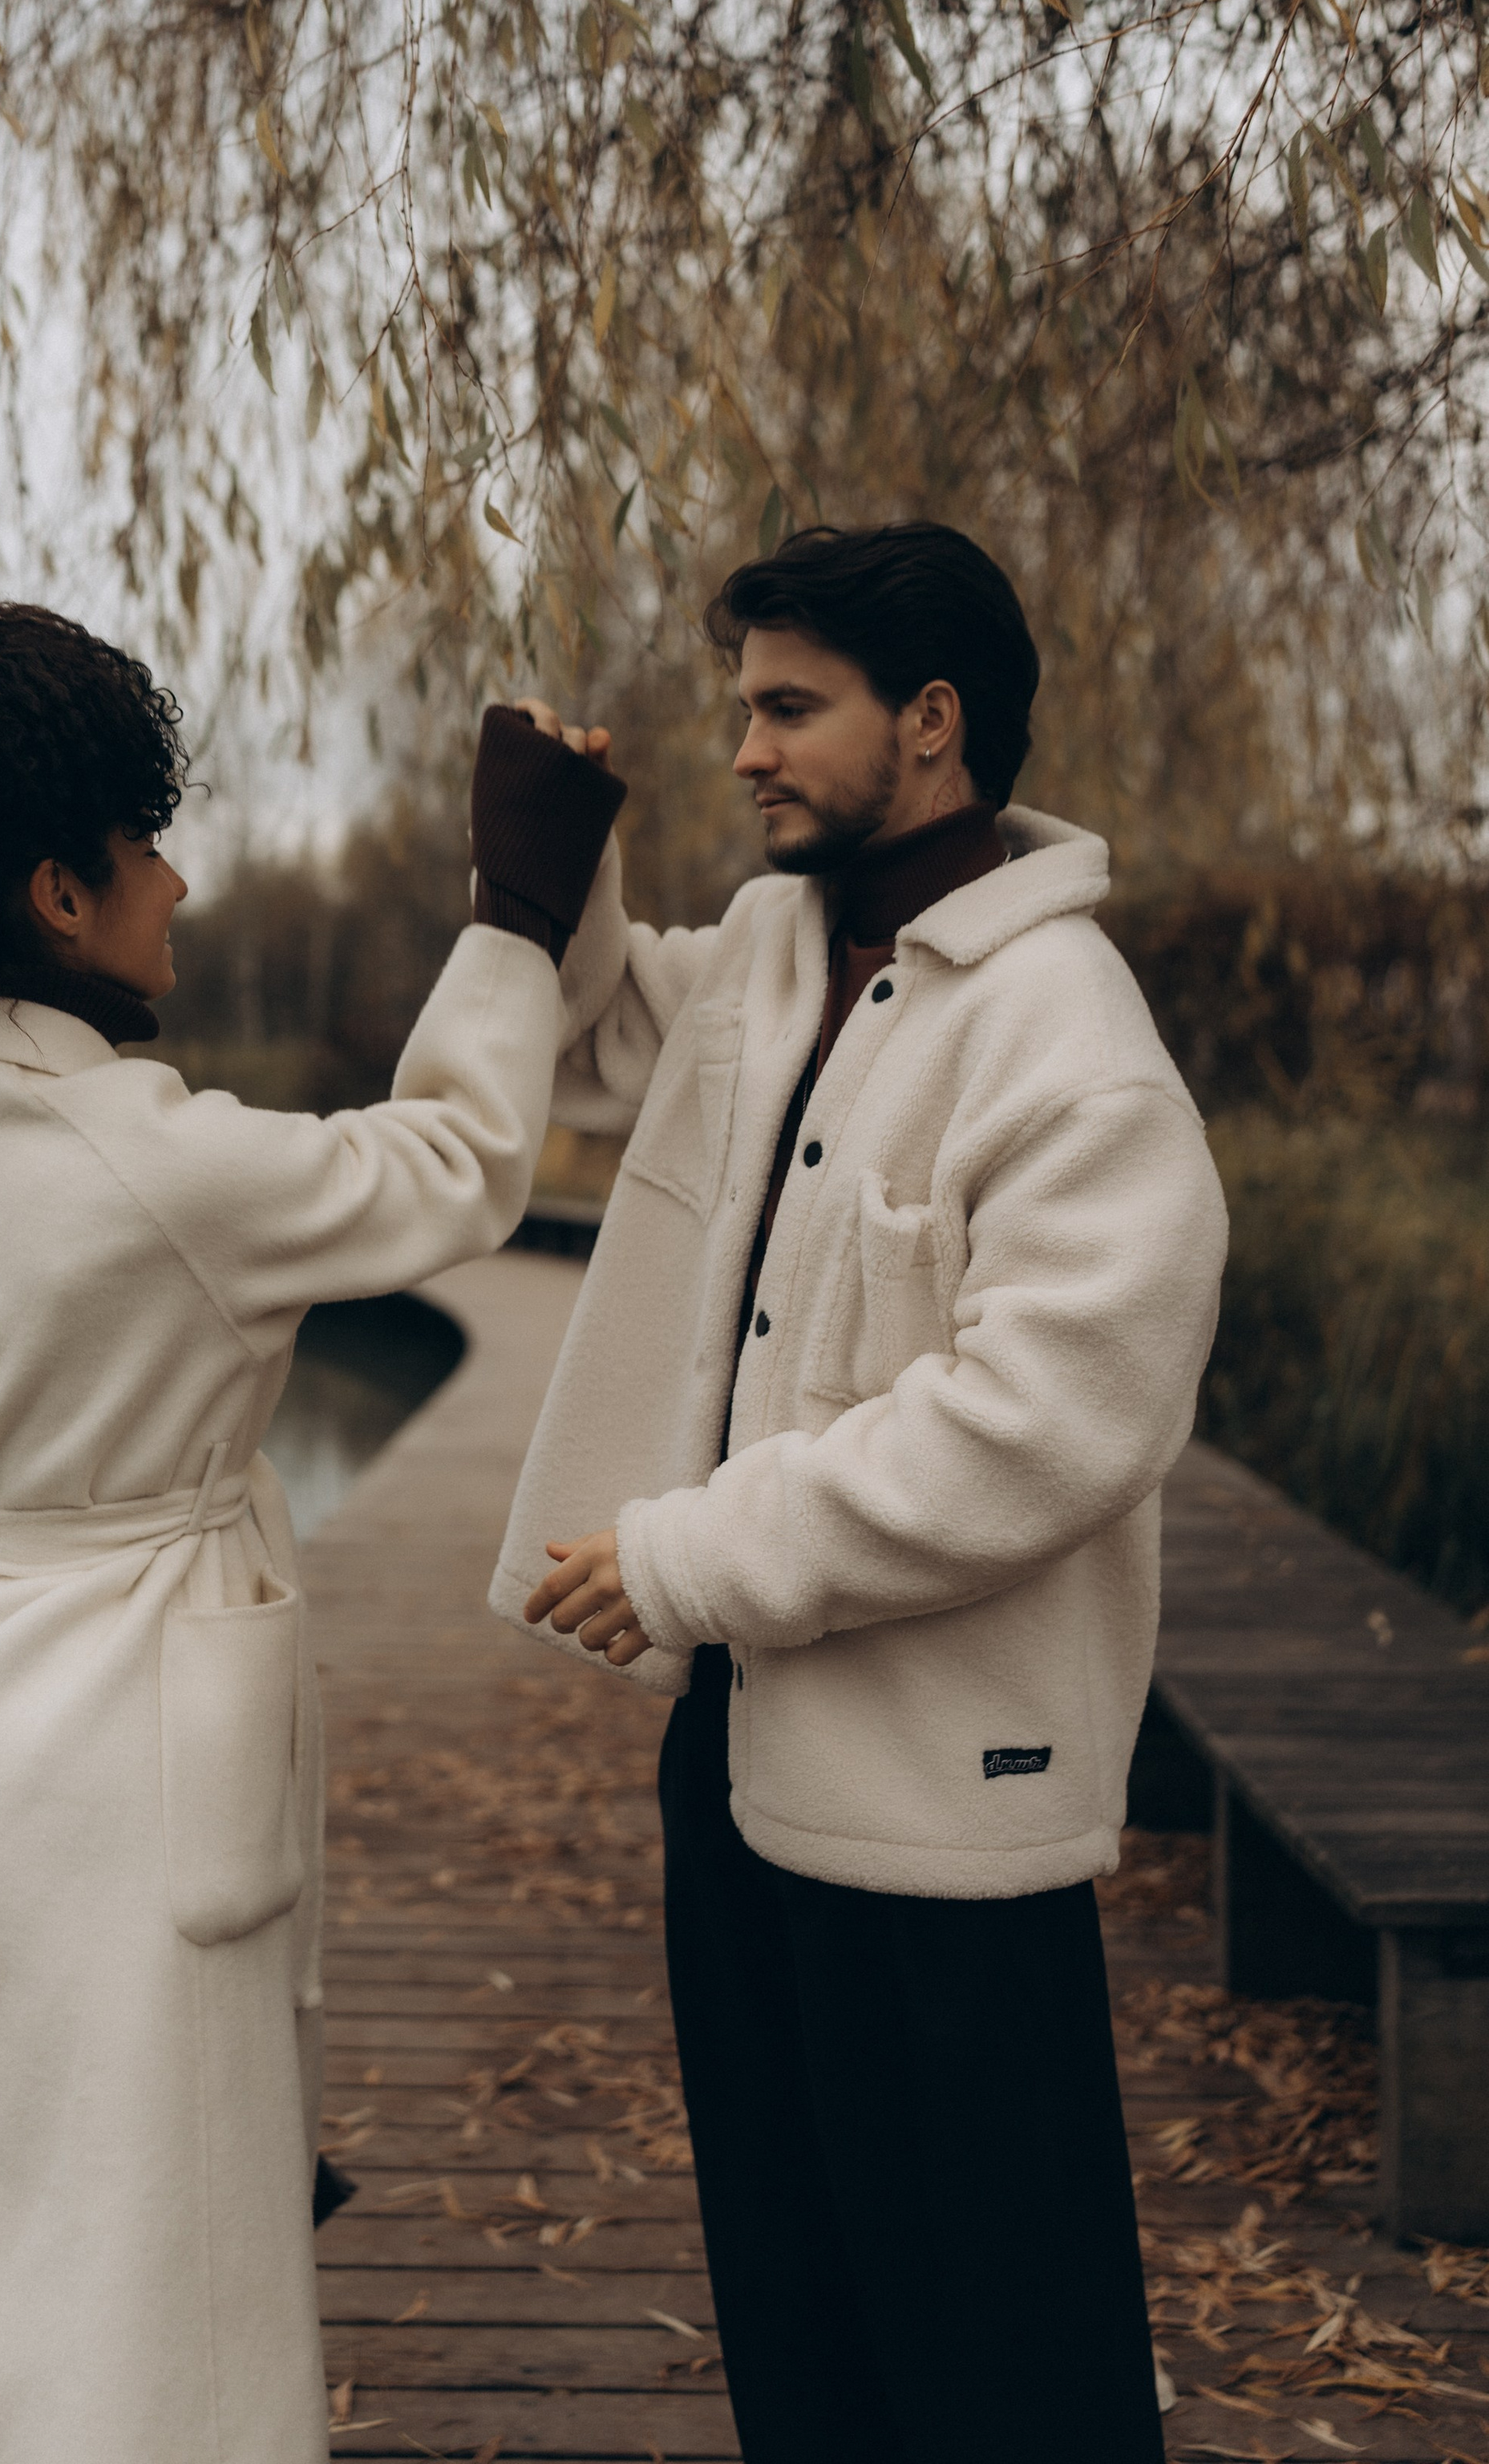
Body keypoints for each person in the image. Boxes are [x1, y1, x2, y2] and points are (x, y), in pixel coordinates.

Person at [0, 603, 621, 2464]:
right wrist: (518, 914)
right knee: (158, 2288)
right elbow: (455, 1171)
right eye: (144, 847)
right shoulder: (157, 1166)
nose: (180, 880)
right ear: (61, 895)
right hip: (142, 1742)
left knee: (1, 2213)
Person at [488, 524, 1227, 2464]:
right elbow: (598, 1035)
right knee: (797, 2310)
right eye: (741, 706)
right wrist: (548, 860)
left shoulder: (1069, 1044)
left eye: (785, 708)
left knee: (1000, 2346)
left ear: (930, 721)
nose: (743, 747)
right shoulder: (773, 952)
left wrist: (689, 1554)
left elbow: (1046, 1417)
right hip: (738, 1753)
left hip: (940, 1811)